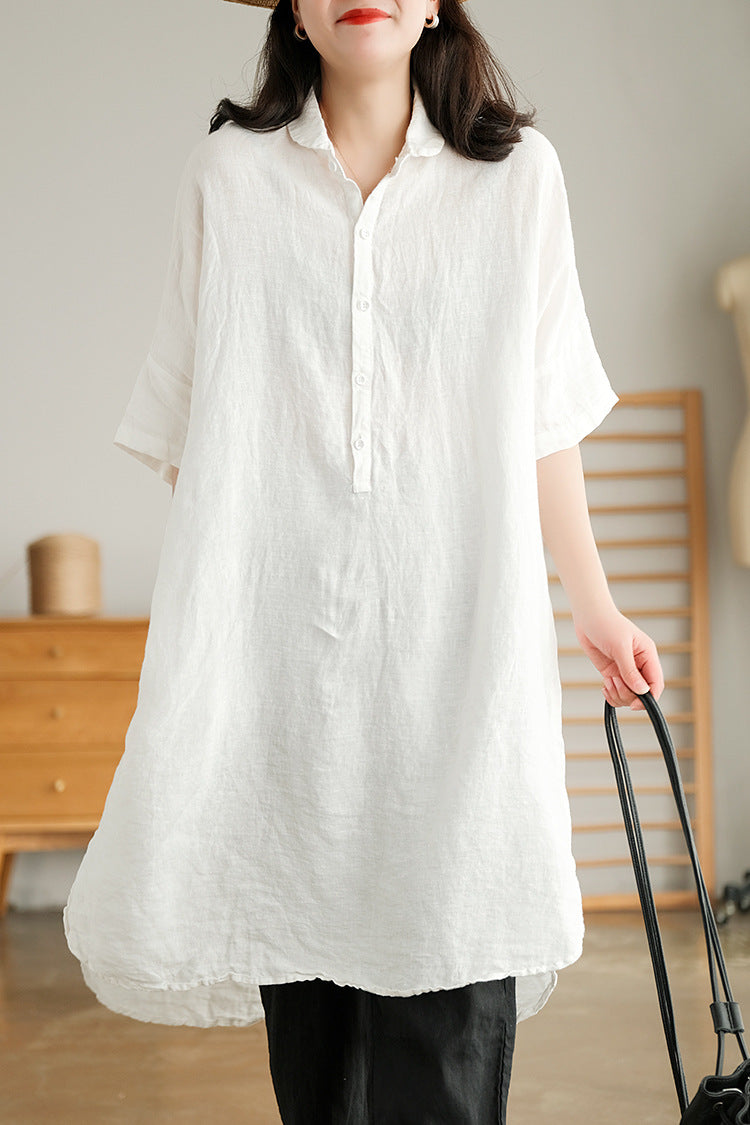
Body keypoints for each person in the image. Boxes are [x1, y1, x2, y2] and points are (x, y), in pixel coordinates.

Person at [63, 0, 665, 1122]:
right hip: (289, 702)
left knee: (451, 1011)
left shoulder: (519, 181)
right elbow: (200, 440)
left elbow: (546, 421)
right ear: (293, 11)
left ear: (435, 3)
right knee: (319, 1068)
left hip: (461, 678)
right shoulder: (229, 180)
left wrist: (596, 608)